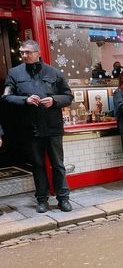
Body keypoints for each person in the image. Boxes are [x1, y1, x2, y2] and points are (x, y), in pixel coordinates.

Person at [2, 39, 73, 213]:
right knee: (38, 165)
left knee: (58, 164)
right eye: (22, 52)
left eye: (28, 52)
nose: (24, 55)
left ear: (37, 53)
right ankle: (42, 199)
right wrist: (24, 100)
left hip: (53, 126)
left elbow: (68, 96)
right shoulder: (14, 73)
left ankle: (63, 198)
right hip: (30, 128)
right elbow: (6, 96)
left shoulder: (54, 72)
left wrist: (54, 100)